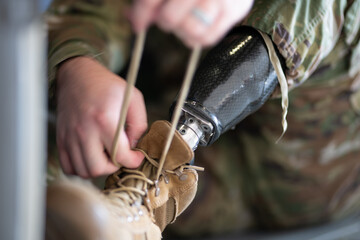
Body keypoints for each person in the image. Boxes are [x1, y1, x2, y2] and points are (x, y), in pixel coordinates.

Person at [45, 0, 360, 238]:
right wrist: (76, 63)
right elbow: (94, 9)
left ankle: (178, 143)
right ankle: (133, 211)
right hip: (188, 169)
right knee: (41, 146)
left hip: (321, 171)